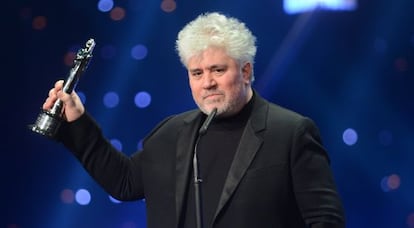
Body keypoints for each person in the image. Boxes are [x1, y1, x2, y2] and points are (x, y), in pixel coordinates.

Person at [43, 12, 345, 228]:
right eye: (197, 73)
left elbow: (325, 220)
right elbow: (125, 182)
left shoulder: (291, 132)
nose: (207, 83)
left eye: (217, 70)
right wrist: (77, 121)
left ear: (246, 72)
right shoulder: (172, 132)